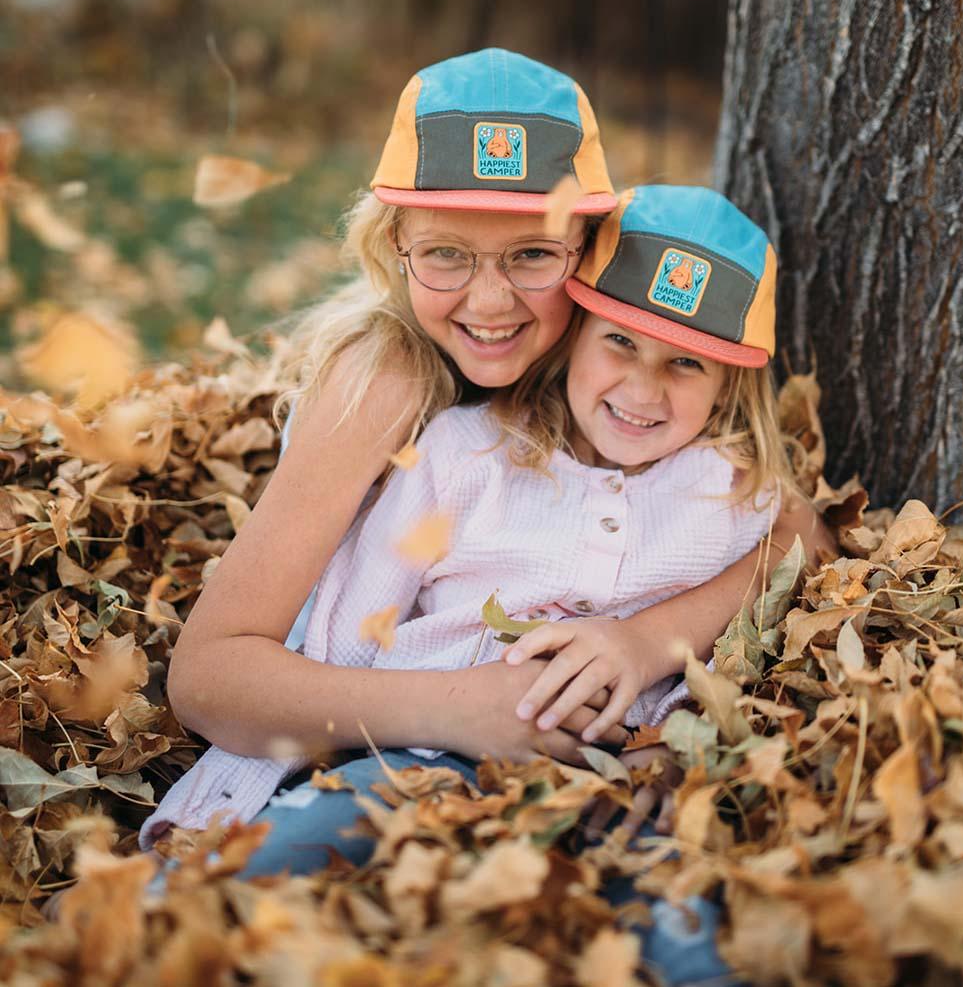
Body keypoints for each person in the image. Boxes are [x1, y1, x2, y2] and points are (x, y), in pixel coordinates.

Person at [143, 185, 832, 984]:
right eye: (620, 344)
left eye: (685, 362)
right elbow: (345, 627)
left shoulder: (722, 486)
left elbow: (803, 543)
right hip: (417, 752)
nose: (643, 390)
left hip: (611, 773)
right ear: (577, 333)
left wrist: (648, 655)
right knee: (289, 860)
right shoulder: (465, 453)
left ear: (727, 386)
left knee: (681, 932)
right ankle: (148, 930)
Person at [162, 49, 828, 782]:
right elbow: (206, 677)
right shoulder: (386, 381)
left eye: (533, 255)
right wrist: (455, 709)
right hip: (364, 734)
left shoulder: (596, 369)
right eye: (445, 254)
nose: (489, 303)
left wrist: (650, 641)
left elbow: (794, 527)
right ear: (394, 245)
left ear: (590, 255)